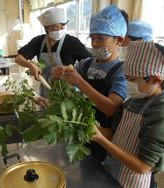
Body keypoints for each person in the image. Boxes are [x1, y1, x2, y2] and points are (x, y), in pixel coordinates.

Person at [90, 41, 164, 188]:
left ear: (156, 79)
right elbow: (114, 135)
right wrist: (93, 128)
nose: (127, 84)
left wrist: (101, 140)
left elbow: (143, 167)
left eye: (132, 80)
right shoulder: (133, 101)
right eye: (126, 78)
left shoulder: (162, 113)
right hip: (112, 171)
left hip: (132, 181)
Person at [52, 5, 128, 162]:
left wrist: (80, 82)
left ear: (119, 40)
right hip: (82, 131)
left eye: (101, 38)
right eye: (92, 38)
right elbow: (66, 93)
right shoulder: (85, 64)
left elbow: (111, 108)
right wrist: (56, 77)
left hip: (104, 137)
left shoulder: (122, 71)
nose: (94, 44)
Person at [15, 7, 91, 96]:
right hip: (46, 89)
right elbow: (18, 58)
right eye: (55, 29)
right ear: (46, 29)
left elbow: (89, 63)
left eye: (62, 27)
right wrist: (30, 65)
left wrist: (68, 69)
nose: (59, 31)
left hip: (67, 92)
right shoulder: (38, 42)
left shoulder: (72, 42)